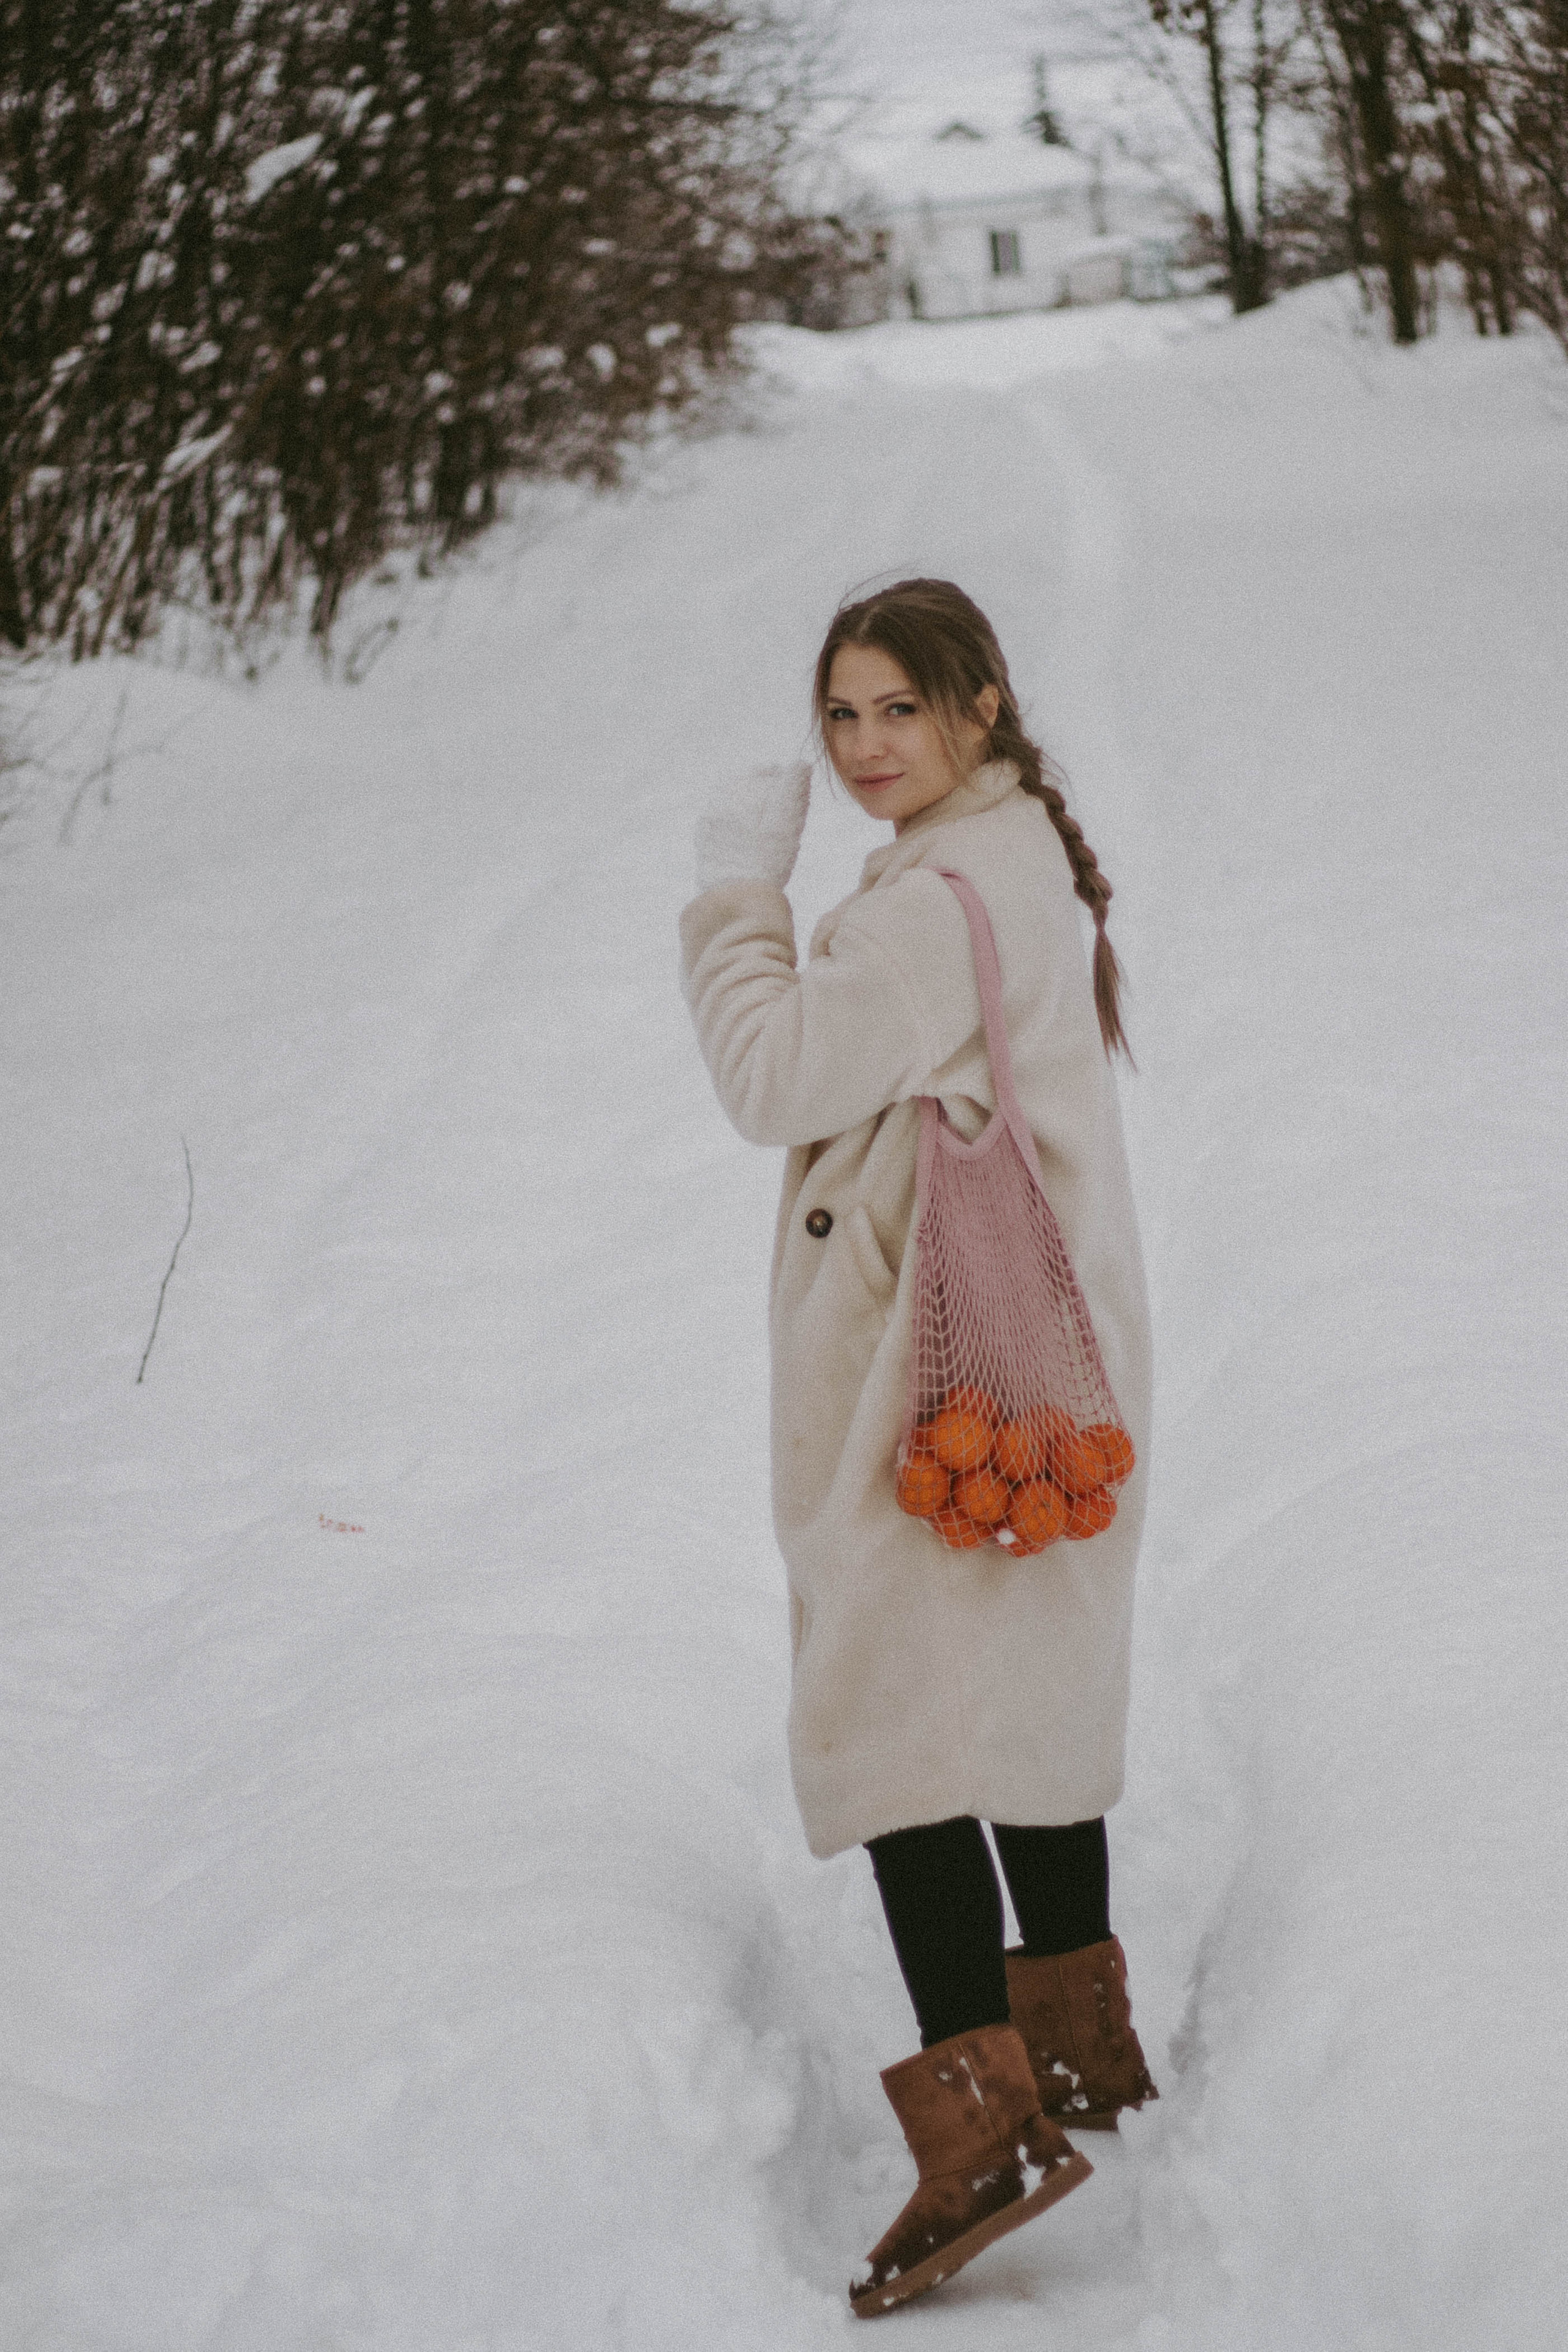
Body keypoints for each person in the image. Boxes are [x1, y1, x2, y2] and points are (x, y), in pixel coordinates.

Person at [679, 579, 1158, 2317]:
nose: (866, 748)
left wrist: (741, 890)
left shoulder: (918, 916)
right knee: (1023, 1692)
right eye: (843, 716)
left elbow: (769, 1075)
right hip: (1050, 1371)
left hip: (929, 1390)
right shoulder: (1020, 857)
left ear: (981, 705)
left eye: (900, 710)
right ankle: (1083, 2046)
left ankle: (983, 2131)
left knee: (900, 1733)